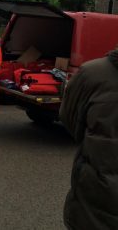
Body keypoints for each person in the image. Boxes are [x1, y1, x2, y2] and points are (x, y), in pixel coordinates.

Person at [59, 47, 118, 230]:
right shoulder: (93, 74)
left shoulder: (91, 74)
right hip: (99, 201)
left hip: (97, 197)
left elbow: (71, 120)